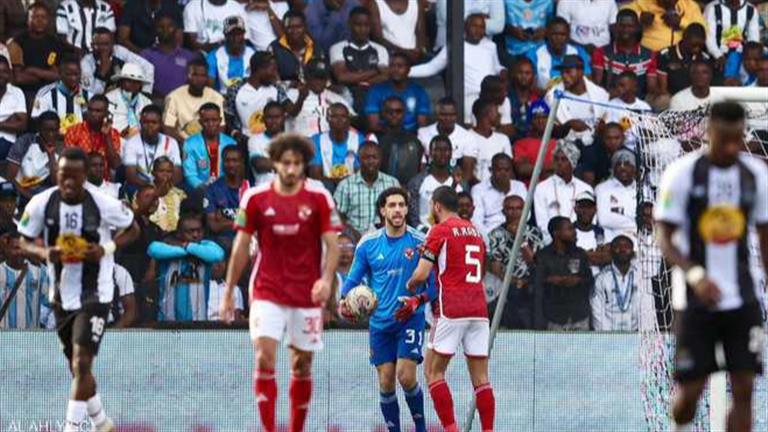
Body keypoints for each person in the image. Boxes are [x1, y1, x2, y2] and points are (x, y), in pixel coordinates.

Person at [654, 101, 768, 432]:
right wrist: (694, 274)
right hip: (695, 299)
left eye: (737, 139)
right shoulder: (681, 173)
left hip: (743, 299)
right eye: (724, 140)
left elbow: (765, 239)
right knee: (690, 393)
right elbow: (664, 238)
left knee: (744, 390)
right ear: (709, 132)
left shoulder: (755, 175)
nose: (731, 147)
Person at [220, 134, 341, 432]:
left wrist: (327, 280)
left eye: (297, 163)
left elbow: (333, 245)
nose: (291, 169)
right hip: (267, 290)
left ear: (304, 165)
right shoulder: (255, 198)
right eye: (286, 163)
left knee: (301, 364)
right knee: (264, 357)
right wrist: (228, 292)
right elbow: (240, 246)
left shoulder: (319, 198)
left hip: (306, 292)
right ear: (274, 163)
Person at [19, 147, 139, 432]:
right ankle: (102, 423)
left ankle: (71, 428)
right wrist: (45, 253)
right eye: (63, 175)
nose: (69, 181)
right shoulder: (40, 203)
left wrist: (106, 248)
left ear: (85, 176)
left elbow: (133, 228)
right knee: (77, 368)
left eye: (75, 176)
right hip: (61, 295)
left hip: (96, 293)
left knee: (82, 362)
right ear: (56, 174)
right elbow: (23, 240)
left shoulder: (103, 203)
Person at [398, 186, 495, 432]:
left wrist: (410, 284)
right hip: (479, 310)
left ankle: (451, 429)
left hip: (452, 309)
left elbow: (421, 274)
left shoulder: (439, 230)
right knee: (481, 378)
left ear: (436, 206)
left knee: (433, 372)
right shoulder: (475, 230)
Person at [338, 187, 428, 432]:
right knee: (386, 382)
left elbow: (433, 286)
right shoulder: (368, 244)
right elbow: (352, 280)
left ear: (407, 209)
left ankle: (421, 429)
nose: (397, 210)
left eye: (401, 205)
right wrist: (344, 301)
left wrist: (417, 301)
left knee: (406, 377)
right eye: (392, 205)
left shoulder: (420, 242)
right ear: (382, 210)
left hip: (410, 319)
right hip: (379, 323)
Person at [148, 209, 225, 321]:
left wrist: (188, 246)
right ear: (178, 233)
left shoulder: (206, 246)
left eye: (199, 231)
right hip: (167, 321)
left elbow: (217, 255)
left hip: (198, 322)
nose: (195, 235)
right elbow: (153, 249)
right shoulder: (167, 248)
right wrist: (186, 250)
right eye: (190, 231)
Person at [487, 195, 545, 329]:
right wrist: (515, 281)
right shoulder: (495, 235)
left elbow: (536, 264)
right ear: (503, 211)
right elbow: (495, 269)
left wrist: (521, 240)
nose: (514, 212)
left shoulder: (535, 233)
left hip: (530, 287)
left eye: (518, 208)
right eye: (510, 209)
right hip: (505, 290)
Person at [533, 216, 594, 330]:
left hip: (579, 316)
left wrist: (577, 280)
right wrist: (553, 281)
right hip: (554, 317)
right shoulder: (543, 256)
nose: (574, 232)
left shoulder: (580, 254)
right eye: (570, 229)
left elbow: (590, 280)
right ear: (556, 233)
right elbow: (537, 288)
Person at [329, 6, 390, 115]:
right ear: (349, 24)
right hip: (347, 96)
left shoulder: (380, 50)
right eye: (358, 25)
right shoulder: (338, 48)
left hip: (373, 96)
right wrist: (375, 70)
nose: (362, 29)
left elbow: (385, 76)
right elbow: (342, 77)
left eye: (366, 25)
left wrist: (357, 79)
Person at [7, 2, 71, 103]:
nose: (40, 20)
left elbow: (61, 76)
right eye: (35, 17)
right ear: (27, 20)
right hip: (25, 92)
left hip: (51, 91)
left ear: (49, 20)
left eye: (43, 17)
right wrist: (48, 75)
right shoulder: (16, 42)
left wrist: (33, 71)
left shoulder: (57, 44)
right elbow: (18, 78)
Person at [116, 184, 162, 323]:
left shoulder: (156, 228)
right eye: (148, 197)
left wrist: (152, 269)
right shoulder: (130, 221)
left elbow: (155, 250)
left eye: (155, 198)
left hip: (147, 277)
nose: (153, 201)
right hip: (128, 271)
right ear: (137, 199)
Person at [591, 9, 659, 100]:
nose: (626, 30)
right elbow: (597, 84)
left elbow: (651, 88)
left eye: (630, 26)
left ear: (637, 28)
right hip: (610, 100)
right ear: (615, 27)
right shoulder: (602, 52)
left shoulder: (649, 55)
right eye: (622, 26)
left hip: (639, 102)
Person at [534, 142, 594, 243]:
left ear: (573, 162)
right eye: (556, 159)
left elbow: (591, 219)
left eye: (564, 159)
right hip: (551, 241)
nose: (559, 163)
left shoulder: (585, 188)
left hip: (581, 240)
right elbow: (542, 222)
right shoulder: (542, 188)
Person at [334, 141, 399, 234]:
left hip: (384, 235)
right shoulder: (345, 185)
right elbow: (337, 216)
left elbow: (399, 213)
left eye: (374, 157)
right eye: (366, 158)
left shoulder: (392, 183)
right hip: (354, 236)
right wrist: (353, 233)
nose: (371, 161)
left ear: (380, 159)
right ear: (359, 160)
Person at [545, 55, 609, 149]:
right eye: (562, 72)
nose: (564, 76)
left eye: (568, 72)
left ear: (581, 72)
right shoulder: (552, 97)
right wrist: (568, 125)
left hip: (594, 145)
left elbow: (607, 124)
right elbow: (550, 132)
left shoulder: (600, 94)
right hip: (566, 147)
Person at [224, 51, 289, 140]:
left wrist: (301, 96)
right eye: (273, 70)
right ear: (260, 70)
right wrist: (235, 134)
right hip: (244, 142)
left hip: (272, 141)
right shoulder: (235, 90)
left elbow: (291, 110)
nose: (275, 74)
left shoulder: (276, 88)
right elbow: (227, 119)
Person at [285, 58, 353, 137]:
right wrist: (301, 98)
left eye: (322, 78)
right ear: (307, 77)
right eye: (315, 77)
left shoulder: (336, 99)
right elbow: (291, 113)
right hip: (299, 142)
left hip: (327, 143)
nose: (319, 82)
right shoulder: (292, 94)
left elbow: (352, 119)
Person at [364, 52, 430, 133]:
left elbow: (422, 125)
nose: (395, 70)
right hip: (383, 136)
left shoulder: (419, 92)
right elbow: (373, 125)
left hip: (411, 136)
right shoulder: (376, 91)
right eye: (392, 66)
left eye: (400, 66)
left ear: (408, 69)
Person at [163, 58, 225, 143]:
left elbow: (221, 127)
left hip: (210, 144)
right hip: (182, 143)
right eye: (195, 75)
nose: (199, 79)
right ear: (188, 76)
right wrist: (187, 145)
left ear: (207, 77)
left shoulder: (216, 97)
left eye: (203, 75)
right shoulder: (173, 97)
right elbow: (168, 128)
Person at [140, 12, 199, 99]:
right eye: (161, 27)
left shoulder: (189, 56)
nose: (165, 30)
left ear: (176, 29)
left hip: (183, 102)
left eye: (170, 26)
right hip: (154, 102)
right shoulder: (146, 55)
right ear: (155, 30)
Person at [80, 27, 155, 95]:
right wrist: (102, 73)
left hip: (125, 95)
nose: (102, 48)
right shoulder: (86, 62)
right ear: (92, 45)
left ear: (112, 44)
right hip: (102, 101)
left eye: (106, 44)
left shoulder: (119, 51)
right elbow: (90, 93)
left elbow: (148, 67)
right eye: (98, 44)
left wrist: (145, 93)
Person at [123, 104, 183, 189]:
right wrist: (153, 189)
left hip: (166, 187)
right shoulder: (131, 143)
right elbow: (131, 176)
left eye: (154, 122)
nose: (150, 126)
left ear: (161, 124)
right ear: (140, 123)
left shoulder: (171, 142)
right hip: (140, 186)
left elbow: (177, 174)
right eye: (146, 122)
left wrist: (163, 189)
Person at [0, 226, 49, 329]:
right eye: (15, 248)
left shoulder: (40, 271)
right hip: (3, 335)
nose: (20, 252)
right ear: (7, 248)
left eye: (23, 249)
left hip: (31, 336)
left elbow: (49, 302)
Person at [63, 95, 122, 182]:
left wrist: (107, 136)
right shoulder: (74, 131)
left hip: (104, 183)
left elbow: (115, 165)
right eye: (90, 110)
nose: (93, 114)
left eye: (98, 111)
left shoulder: (113, 134)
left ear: (107, 114)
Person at [407, 135, 459, 230]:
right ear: (430, 153)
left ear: (451, 153)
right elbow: (412, 215)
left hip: (453, 232)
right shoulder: (417, 182)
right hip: (424, 233)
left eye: (446, 150)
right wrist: (423, 230)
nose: (442, 153)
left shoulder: (459, 182)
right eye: (437, 150)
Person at [591, 234, 642, 331]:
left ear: (633, 252)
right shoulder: (601, 279)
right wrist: (609, 336)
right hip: (608, 335)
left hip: (636, 333)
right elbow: (597, 312)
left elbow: (646, 308)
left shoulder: (641, 278)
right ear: (611, 252)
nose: (622, 249)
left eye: (626, 246)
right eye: (617, 246)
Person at [6, 111, 60, 203]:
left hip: (39, 190)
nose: (51, 134)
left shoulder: (60, 150)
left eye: (54, 130)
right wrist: (32, 198)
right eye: (46, 130)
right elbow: (10, 178)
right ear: (39, 129)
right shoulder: (25, 142)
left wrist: (51, 155)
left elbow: (56, 184)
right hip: (18, 188)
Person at [471, 153, 527, 239]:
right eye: (499, 170)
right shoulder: (478, 190)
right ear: (491, 170)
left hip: (518, 232)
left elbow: (527, 214)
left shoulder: (519, 186)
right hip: (491, 235)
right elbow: (477, 221)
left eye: (507, 170)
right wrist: (488, 240)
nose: (503, 173)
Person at [526, 17, 592, 90]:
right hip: (542, 95)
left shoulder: (578, 52)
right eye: (554, 34)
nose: (558, 38)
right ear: (547, 35)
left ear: (568, 36)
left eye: (562, 34)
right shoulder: (534, 54)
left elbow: (588, 81)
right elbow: (528, 85)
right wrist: (549, 94)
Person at [309, 103, 366, 187]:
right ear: (327, 119)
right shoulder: (316, 140)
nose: (339, 120)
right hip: (326, 187)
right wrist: (337, 182)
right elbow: (315, 176)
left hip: (352, 186)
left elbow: (361, 173)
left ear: (349, 119)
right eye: (334, 116)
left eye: (343, 116)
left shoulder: (359, 140)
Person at [182, 103, 237, 190]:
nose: (211, 124)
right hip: (199, 190)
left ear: (220, 120)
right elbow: (190, 175)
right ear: (200, 122)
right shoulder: (190, 144)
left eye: (214, 120)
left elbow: (235, 171)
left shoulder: (231, 143)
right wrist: (205, 189)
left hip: (226, 189)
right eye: (206, 121)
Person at [31, 55, 90, 134]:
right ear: (60, 73)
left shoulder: (88, 95)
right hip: (53, 138)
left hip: (81, 139)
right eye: (69, 74)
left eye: (76, 74)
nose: (73, 78)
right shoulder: (44, 94)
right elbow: (36, 118)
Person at [622, 0, 706, 53]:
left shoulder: (689, 5)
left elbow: (704, 30)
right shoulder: (644, 3)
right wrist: (640, 16)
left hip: (679, 57)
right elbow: (622, 13)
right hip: (649, 56)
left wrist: (680, 22)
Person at [205, 146, 248, 249]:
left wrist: (224, 221)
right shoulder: (213, 189)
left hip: (247, 238)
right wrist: (242, 220)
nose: (231, 164)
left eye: (235, 160)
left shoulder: (250, 187)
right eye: (227, 161)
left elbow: (256, 222)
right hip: (222, 240)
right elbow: (213, 226)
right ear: (222, 163)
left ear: (242, 163)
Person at [376, 96, 423, 185]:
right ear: (383, 113)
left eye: (398, 111)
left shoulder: (414, 141)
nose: (394, 115)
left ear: (404, 113)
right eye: (390, 112)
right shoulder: (375, 139)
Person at [463, 98, 512, 185]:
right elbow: (467, 174)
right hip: (475, 188)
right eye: (496, 111)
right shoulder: (466, 137)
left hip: (501, 187)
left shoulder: (503, 139)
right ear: (486, 114)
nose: (499, 114)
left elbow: (509, 171)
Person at [657, 23, 712, 100]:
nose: (697, 49)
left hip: (695, 98)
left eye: (700, 46)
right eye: (694, 46)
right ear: (684, 39)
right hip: (671, 98)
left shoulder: (704, 59)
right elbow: (663, 89)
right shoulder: (666, 55)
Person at [595, 149, 638, 242]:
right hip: (612, 242)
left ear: (634, 168)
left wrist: (620, 216)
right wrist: (636, 222)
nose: (623, 168)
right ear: (613, 168)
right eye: (618, 164)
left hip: (639, 242)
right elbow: (603, 219)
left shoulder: (642, 189)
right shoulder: (602, 189)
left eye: (627, 164)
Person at [368, 0, 428, 65]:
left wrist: (418, 52)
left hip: (416, 57)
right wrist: (404, 53)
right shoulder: (375, 4)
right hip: (390, 58)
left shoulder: (416, 2)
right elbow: (377, 38)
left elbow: (421, 34)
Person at [512, 99, 557, 187]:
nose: (540, 121)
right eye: (536, 118)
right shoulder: (520, 144)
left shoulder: (557, 143)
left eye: (544, 117)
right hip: (531, 190)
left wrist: (536, 168)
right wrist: (549, 167)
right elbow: (522, 169)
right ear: (530, 120)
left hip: (555, 189)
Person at [417, 98, 472, 168]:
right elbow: (421, 166)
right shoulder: (423, 134)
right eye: (443, 115)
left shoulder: (467, 137)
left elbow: (468, 170)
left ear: (457, 115)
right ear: (437, 115)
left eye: (452, 115)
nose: (448, 118)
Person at [206, 15, 255, 93]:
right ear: (225, 35)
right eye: (232, 34)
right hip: (223, 97)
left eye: (239, 34)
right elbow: (209, 89)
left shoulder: (253, 55)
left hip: (249, 96)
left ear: (244, 34)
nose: (235, 38)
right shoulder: (214, 56)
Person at [104, 63, 153, 138]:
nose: (133, 85)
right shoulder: (109, 98)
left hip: (139, 141)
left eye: (137, 82)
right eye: (129, 81)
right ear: (121, 82)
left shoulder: (147, 102)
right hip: (113, 139)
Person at [269, 10, 318, 83]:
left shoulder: (315, 48)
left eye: (298, 27)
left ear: (305, 27)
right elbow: (272, 77)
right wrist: (288, 85)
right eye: (289, 27)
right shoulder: (274, 48)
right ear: (284, 28)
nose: (294, 31)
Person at [117, 0, 183, 53]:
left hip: (167, 56)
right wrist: (144, 55)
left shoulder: (173, 7)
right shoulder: (132, 5)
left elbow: (178, 41)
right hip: (137, 55)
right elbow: (123, 39)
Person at [183, 0, 247, 52]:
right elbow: (191, 42)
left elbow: (245, 39)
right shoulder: (193, 6)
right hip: (204, 52)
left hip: (231, 51)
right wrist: (213, 47)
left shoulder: (237, 8)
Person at [578, 122, 629, 187]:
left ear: (623, 138)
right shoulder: (592, 152)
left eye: (617, 138)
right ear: (602, 138)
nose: (613, 142)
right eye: (608, 138)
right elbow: (588, 183)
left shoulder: (629, 154)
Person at [573, 190, 611, 276]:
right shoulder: (568, 231)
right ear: (576, 209)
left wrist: (581, 255)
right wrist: (594, 256)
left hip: (599, 278)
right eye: (582, 207)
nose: (585, 211)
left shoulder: (602, 232)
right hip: (575, 279)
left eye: (589, 207)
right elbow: (566, 259)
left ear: (595, 210)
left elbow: (608, 258)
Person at [247, 101, 286, 185]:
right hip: (263, 189)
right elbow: (259, 164)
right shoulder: (255, 140)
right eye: (269, 117)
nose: (273, 121)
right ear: (263, 119)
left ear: (284, 118)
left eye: (277, 117)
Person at [507, 57, 542, 142]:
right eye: (520, 73)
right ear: (514, 74)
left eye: (527, 73)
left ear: (533, 75)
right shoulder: (506, 98)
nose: (523, 76)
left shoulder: (538, 99)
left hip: (533, 142)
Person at [0, 56, 28, 160]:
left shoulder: (17, 93)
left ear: (9, 74)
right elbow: (17, 123)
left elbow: (22, 125)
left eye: (4, 72)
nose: (1, 75)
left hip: (7, 141)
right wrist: (9, 122)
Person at [149, 157, 187, 233]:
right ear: (153, 173)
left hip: (177, 234)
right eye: (161, 171)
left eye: (169, 171)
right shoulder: (146, 193)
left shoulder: (180, 194)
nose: (165, 174)